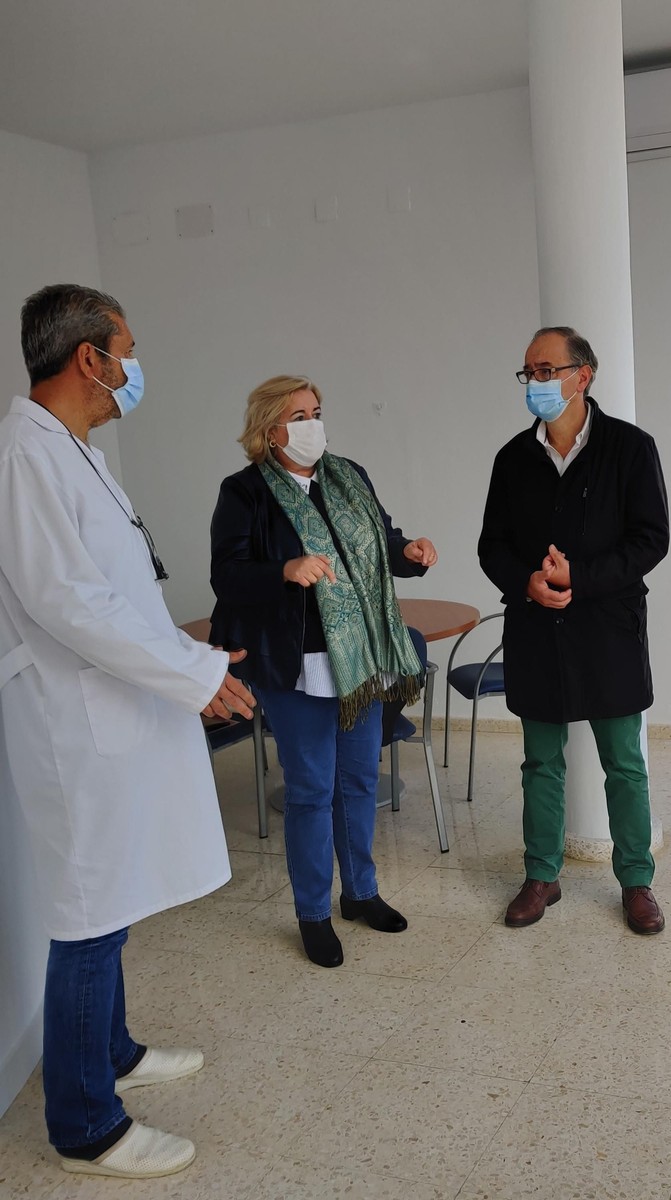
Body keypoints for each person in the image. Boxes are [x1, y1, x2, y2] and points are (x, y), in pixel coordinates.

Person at [0, 285, 256, 1179]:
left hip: (119, 709)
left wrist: (189, 655)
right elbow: (71, 606)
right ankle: (86, 1127)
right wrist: (195, 676)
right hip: (76, 726)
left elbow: (122, 592)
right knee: (88, 916)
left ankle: (117, 1055)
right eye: (127, 349)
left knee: (116, 895)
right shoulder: (24, 457)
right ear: (89, 357)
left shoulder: (77, 454)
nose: (135, 367)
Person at [209, 376, 437, 968]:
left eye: (317, 412)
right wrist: (285, 569)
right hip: (296, 665)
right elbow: (227, 577)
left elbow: (381, 543)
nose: (313, 424)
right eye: (299, 415)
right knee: (311, 792)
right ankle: (312, 913)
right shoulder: (245, 493)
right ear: (269, 429)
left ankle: (360, 893)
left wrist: (408, 553)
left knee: (360, 782)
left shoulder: (347, 475)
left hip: (359, 660)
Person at [478, 327, 670, 934]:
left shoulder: (631, 449)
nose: (534, 381)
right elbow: (492, 546)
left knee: (624, 763)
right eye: (528, 372)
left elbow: (651, 540)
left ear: (581, 376)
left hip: (608, 628)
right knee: (540, 762)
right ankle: (541, 875)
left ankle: (636, 883)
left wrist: (579, 578)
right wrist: (526, 581)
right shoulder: (512, 458)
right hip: (537, 628)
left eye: (545, 370)